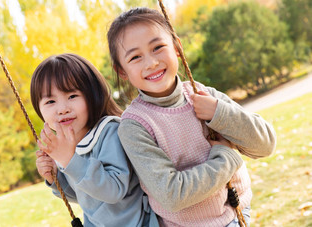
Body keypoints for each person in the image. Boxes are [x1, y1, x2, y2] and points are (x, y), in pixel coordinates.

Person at [107, 7, 276, 227]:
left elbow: (265, 145)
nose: (151, 63)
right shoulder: (135, 125)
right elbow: (172, 195)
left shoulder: (204, 95)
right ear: (121, 71)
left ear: (177, 47)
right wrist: (226, 158)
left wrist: (219, 113)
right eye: (135, 57)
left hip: (240, 212)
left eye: (158, 47)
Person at [30, 53, 159, 227]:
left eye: (72, 96)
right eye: (50, 101)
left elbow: (113, 190)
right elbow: (87, 196)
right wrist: (55, 179)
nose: (62, 109)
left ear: (92, 94)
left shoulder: (109, 132)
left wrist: (70, 160)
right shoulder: (69, 144)